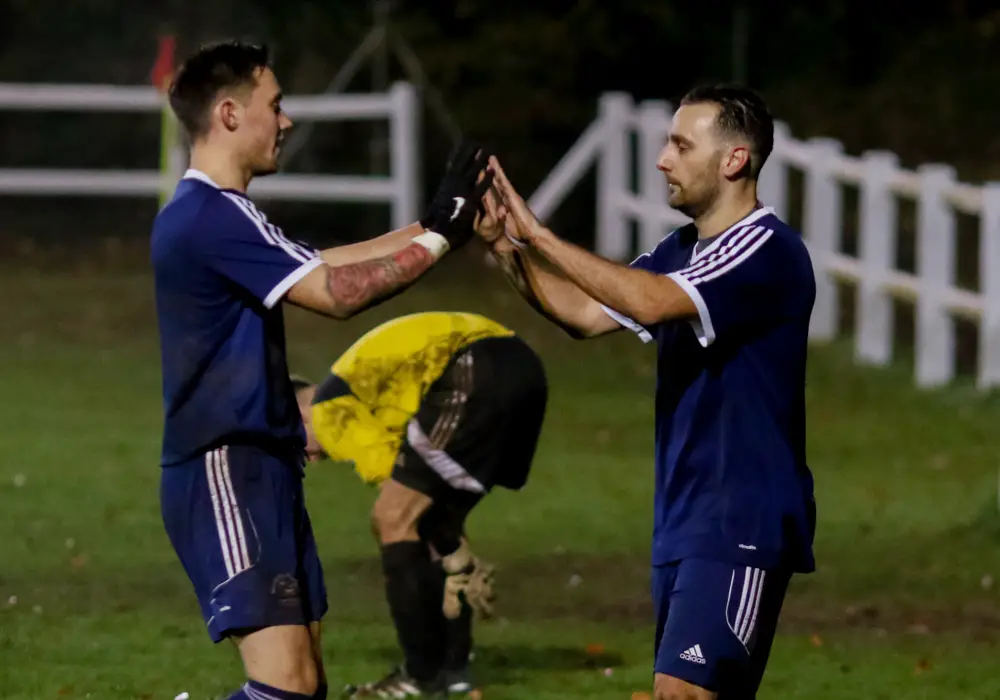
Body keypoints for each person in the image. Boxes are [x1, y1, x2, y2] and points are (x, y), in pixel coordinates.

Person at [151, 40, 492, 700]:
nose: (287, 120)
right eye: (274, 105)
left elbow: (325, 265)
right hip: (223, 466)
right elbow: (340, 295)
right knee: (284, 686)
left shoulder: (227, 214)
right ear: (228, 114)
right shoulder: (206, 218)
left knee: (303, 689)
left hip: (265, 468)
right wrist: (441, 239)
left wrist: (433, 221)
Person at [481, 84, 817, 700]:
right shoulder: (681, 251)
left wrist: (540, 234)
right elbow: (584, 313)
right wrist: (509, 249)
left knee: (680, 692)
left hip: (741, 519)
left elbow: (651, 300)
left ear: (734, 160)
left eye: (681, 145)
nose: (663, 159)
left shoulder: (765, 249)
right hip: (685, 520)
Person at [291, 310, 548, 698]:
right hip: (523, 369)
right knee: (431, 526)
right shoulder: (366, 389)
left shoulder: (330, 407)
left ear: (295, 414)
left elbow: (394, 499)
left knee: (393, 520)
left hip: (474, 368)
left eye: (296, 445)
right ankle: (454, 672)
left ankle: (419, 673)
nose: (308, 459)